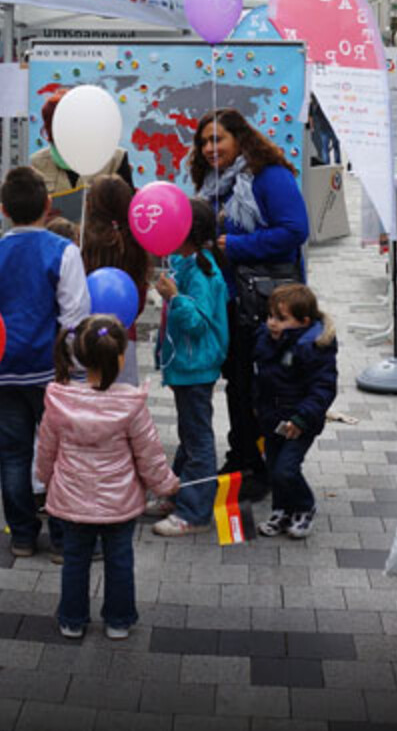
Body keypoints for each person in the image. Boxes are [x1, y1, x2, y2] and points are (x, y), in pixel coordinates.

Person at [0, 166, 89, 558]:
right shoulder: (64, 251)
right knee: (61, 453)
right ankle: (64, 537)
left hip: (1, 371)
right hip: (52, 370)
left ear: (3, 209)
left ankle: (21, 534)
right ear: (48, 206)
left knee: (13, 454)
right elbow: (75, 317)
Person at [36, 314, 178, 640]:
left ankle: (72, 620)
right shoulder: (130, 403)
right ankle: (118, 620)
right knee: (119, 560)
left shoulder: (60, 400)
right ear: (120, 356)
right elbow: (148, 453)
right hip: (119, 501)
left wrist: (46, 479)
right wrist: (166, 485)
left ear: (79, 356)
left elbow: (46, 450)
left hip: (72, 497)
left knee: (74, 560)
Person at [189, 108, 309, 493]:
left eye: (217, 139)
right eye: (204, 141)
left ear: (240, 139)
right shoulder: (212, 182)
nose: (209, 148)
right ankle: (242, 455)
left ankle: (262, 464)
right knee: (238, 382)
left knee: (259, 385)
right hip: (227, 298)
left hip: (264, 303)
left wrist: (239, 245)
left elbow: (295, 230)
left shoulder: (268, 176)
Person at [150, 198, 228, 538]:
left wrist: (174, 297)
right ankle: (178, 494)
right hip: (186, 365)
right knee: (190, 434)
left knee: (198, 440)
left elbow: (197, 323)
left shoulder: (202, 270)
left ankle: (194, 512)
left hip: (197, 367)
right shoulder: (188, 264)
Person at [251, 283, 338, 540]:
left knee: (286, 469)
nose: (272, 323)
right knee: (273, 465)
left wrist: (302, 418)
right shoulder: (266, 339)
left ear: (304, 321)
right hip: (272, 417)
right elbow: (261, 377)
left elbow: (323, 388)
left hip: (300, 421)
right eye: (270, 316)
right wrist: (257, 405)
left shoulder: (313, 347)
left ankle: (304, 506)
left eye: (281, 318)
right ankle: (282, 510)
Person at [80, 174, 152, 385]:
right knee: (122, 404)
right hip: (123, 338)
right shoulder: (136, 244)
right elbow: (138, 300)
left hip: (84, 336)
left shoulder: (82, 243)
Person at [30, 90, 135, 220]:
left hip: (100, 238)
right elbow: (30, 216)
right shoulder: (37, 162)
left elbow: (128, 212)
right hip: (55, 237)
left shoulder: (116, 158)